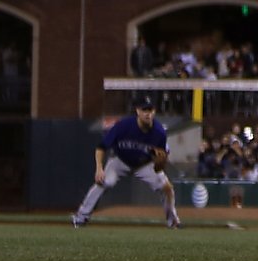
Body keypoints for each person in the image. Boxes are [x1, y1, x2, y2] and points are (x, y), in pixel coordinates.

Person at [71, 93, 180, 227]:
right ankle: (81, 217)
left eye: (150, 110)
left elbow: (161, 160)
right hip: (119, 161)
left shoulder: (159, 133)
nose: (148, 114)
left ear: (154, 111)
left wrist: (159, 164)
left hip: (144, 164)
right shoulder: (123, 126)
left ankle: (173, 222)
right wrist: (99, 168)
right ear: (137, 111)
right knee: (104, 182)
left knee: (167, 188)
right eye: (144, 110)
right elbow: (101, 147)